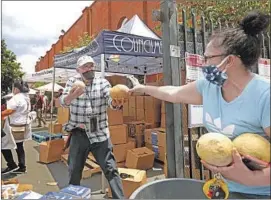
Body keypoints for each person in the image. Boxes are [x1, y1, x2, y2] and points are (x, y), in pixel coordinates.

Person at [129, 11, 270, 198]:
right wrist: (143, 88)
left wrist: (251, 178)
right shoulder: (208, 87)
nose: (203, 64)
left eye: (208, 58)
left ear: (230, 60)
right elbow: (173, 93)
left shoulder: (264, 95)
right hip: (225, 190)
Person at [59, 55, 125, 199]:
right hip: (78, 134)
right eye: (85, 66)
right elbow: (63, 102)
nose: (89, 69)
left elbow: (110, 99)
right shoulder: (72, 82)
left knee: (111, 169)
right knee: (74, 171)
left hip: (100, 134)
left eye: (91, 66)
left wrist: (116, 103)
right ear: (78, 69)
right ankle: (73, 196)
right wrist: (72, 95)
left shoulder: (102, 83)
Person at [1, 80, 32, 174]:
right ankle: (22, 166)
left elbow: (10, 111)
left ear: (16, 89)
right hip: (23, 125)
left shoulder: (16, 98)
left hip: (13, 126)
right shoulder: (26, 97)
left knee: (3, 145)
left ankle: (11, 165)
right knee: (19, 146)